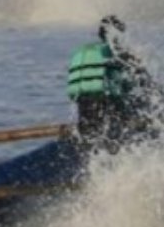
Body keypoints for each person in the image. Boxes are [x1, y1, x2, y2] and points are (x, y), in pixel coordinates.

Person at [66, 14, 158, 152]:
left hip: (83, 104)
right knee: (124, 128)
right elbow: (141, 84)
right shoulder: (119, 53)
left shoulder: (83, 51)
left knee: (90, 140)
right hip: (107, 102)